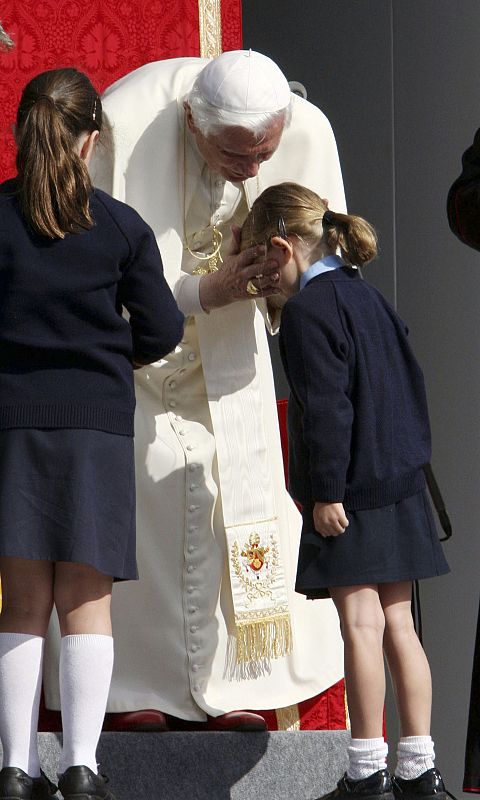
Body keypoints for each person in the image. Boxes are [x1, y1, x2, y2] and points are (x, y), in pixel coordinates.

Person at [43, 50, 347, 730]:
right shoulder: (127, 121)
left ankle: (231, 685)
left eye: (266, 150)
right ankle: (131, 692)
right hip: (140, 364)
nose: (254, 170)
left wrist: (278, 285)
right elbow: (98, 274)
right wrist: (203, 291)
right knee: (145, 503)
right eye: (237, 155)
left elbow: (329, 278)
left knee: (236, 502)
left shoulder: (301, 132)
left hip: (235, 359)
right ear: (192, 123)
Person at [0, 68, 184, 800]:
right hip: (96, 428)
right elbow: (164, 328)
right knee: (86, 600)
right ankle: (82, 766)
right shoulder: (118, 225)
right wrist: (113, 356)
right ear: (90, 141)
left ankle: (15, 768)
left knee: (19, 601)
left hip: (12, 425)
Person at [240, 182, 450, 800]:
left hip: (351, 493)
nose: (263, 279)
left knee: (359, 626)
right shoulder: (368, 297)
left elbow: (325, 410)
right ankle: (418, 769)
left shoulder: (309, 311)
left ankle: (365, 772)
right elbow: (411, 386)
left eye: (261, 260)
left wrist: (326, 491)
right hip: (400, 484)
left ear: (283, 247)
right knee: (399, 627)